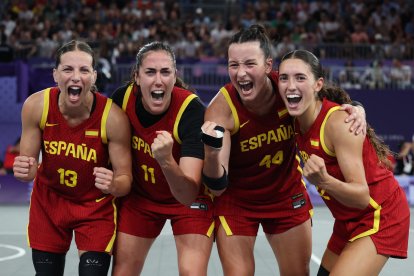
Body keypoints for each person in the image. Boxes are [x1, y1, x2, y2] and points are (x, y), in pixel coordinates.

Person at [201, 24, 366, 276]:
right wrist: (211, 152)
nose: (241, 73)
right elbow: (217, 186)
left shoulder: (287, 87)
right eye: (233, 65)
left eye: (249, 64)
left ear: (268, 66)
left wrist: (357, 107)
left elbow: (329, 100)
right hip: (237, 201)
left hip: (285, 195)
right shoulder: (221, 109)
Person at [277, 49, 410, 275]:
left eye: (300, 78)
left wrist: (324, 181)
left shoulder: (337, 123)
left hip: (379, 214)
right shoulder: (293, 119)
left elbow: (361, 196)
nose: (290, 85)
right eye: (284, 78)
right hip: (347, 220)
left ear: (318, 84)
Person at [13, 40, 132, 276]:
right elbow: (28, 168)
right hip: (49, 203)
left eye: (84, 70)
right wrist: (25, 171)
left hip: (94, 208)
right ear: (55, 74)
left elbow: (125, 180)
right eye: (68, 69)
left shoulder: (113, 118)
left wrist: (113, 184)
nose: (76, 77)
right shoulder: (36, 106)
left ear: (94, 76)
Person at [111, 41, 214, 276]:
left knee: (192, 272)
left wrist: (166, 161)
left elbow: (187, 194)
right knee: (122, 271)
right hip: (141, 199)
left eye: (165, 72)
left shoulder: (191, 110)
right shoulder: (121, 100)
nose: (158, 80)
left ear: (174, 76)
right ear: (136, 77)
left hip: (188, 201)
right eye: (150, 72)